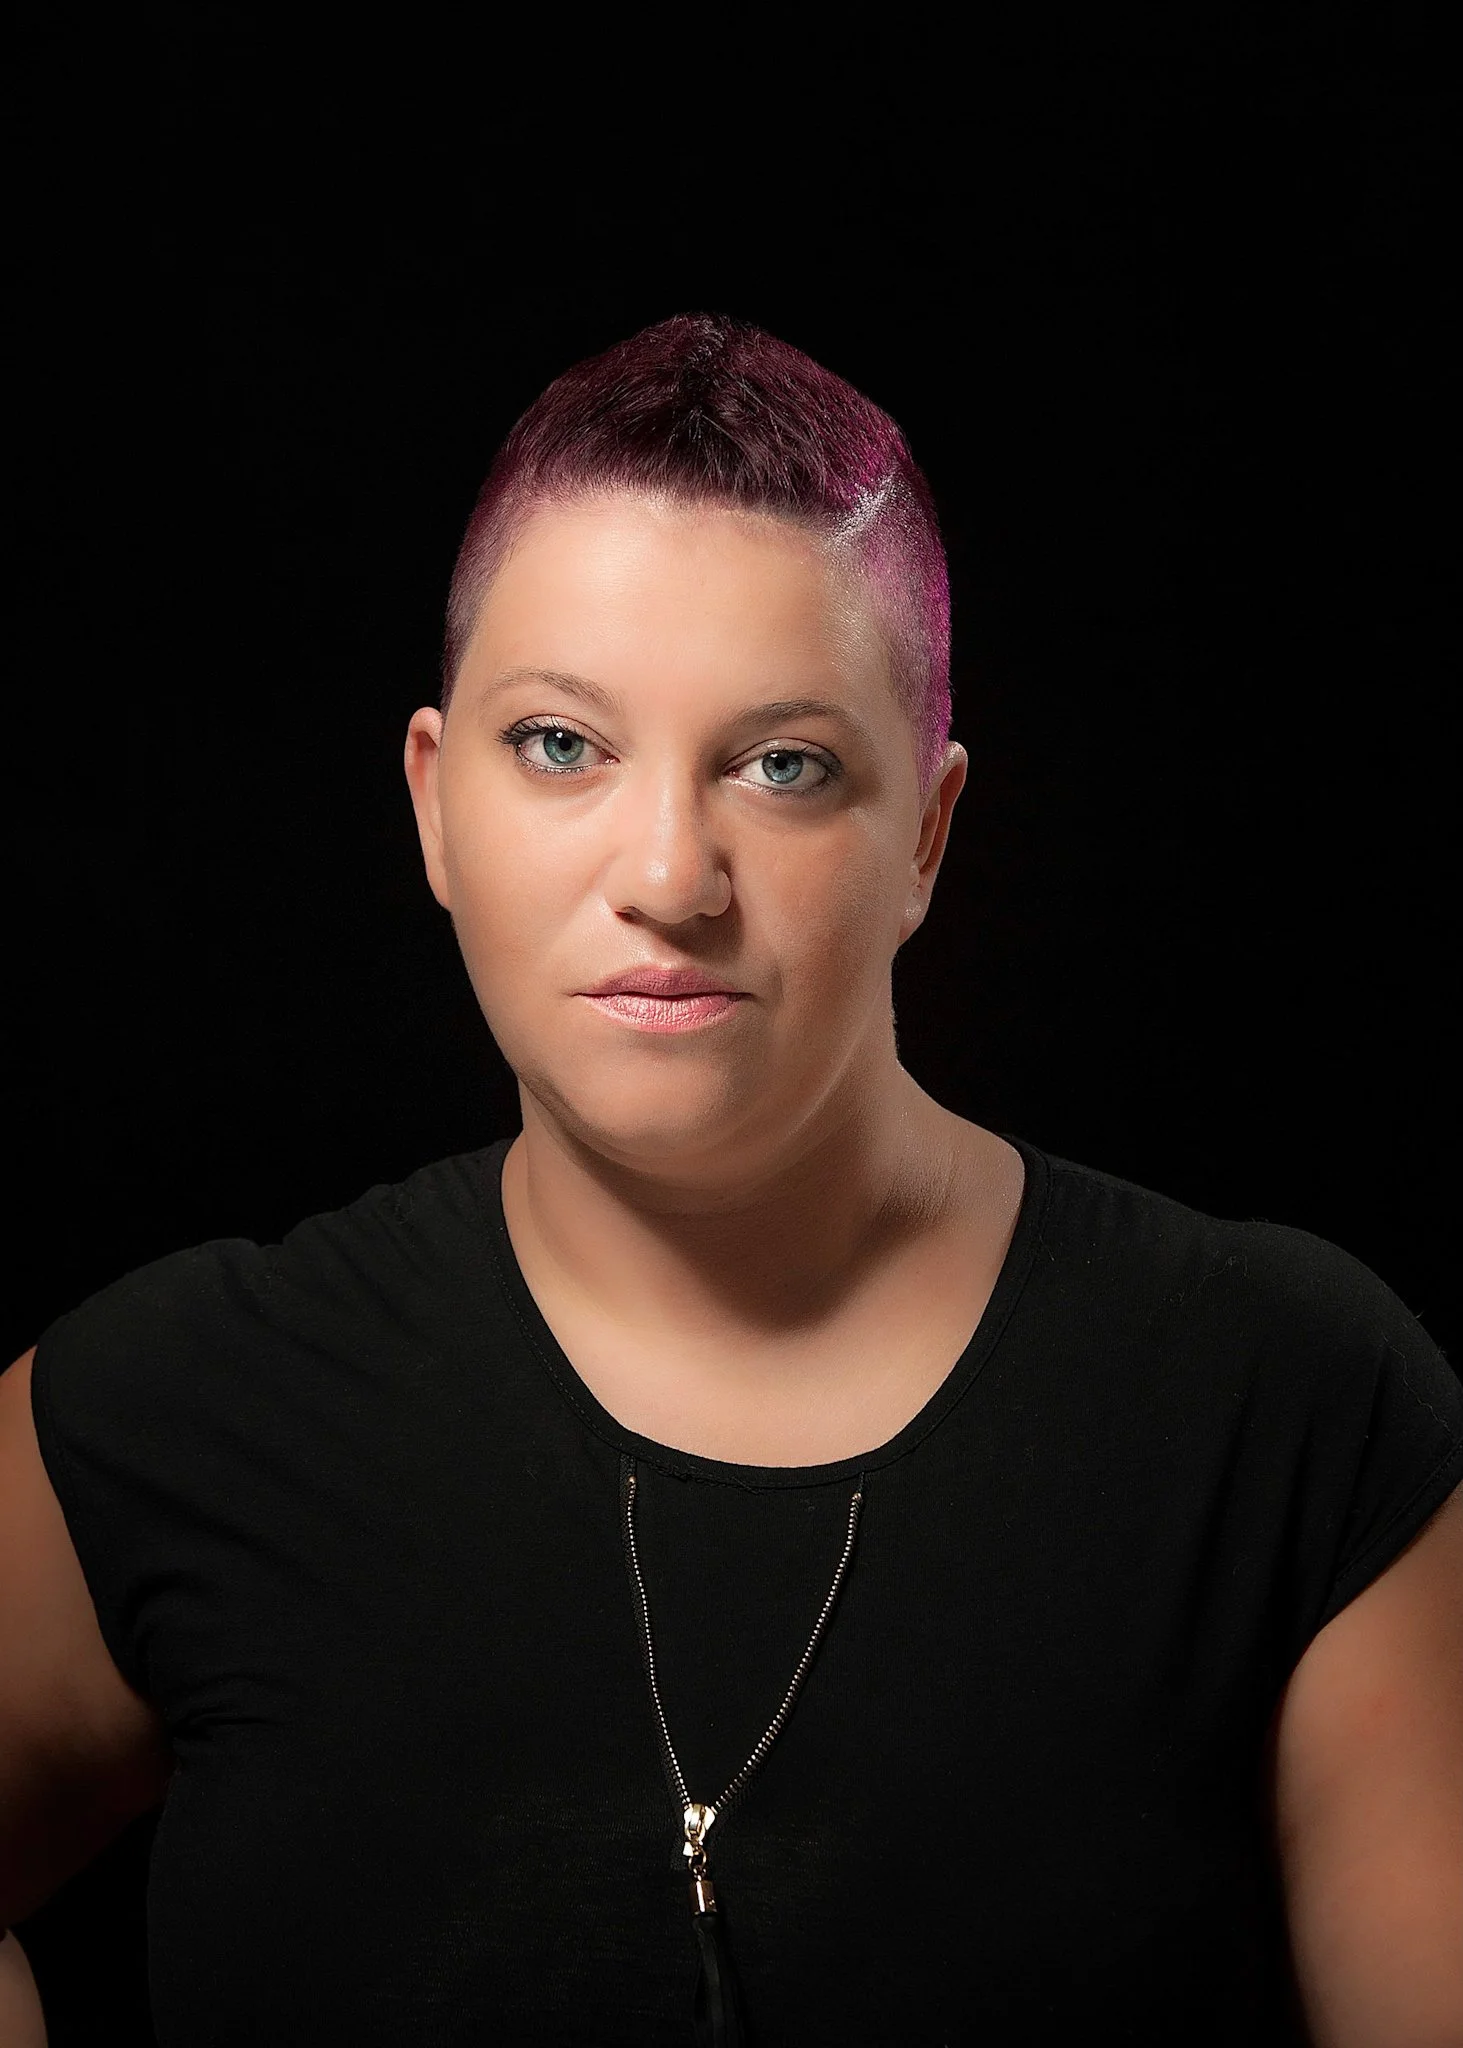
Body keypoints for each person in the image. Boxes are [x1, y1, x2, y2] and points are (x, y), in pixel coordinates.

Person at [1, 313, 1460, 2048]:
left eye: (783, 765)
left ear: (923, 832)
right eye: (560, 744)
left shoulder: (1293, 1413)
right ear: (433, 806)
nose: (671, 873)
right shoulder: (164, 1407)